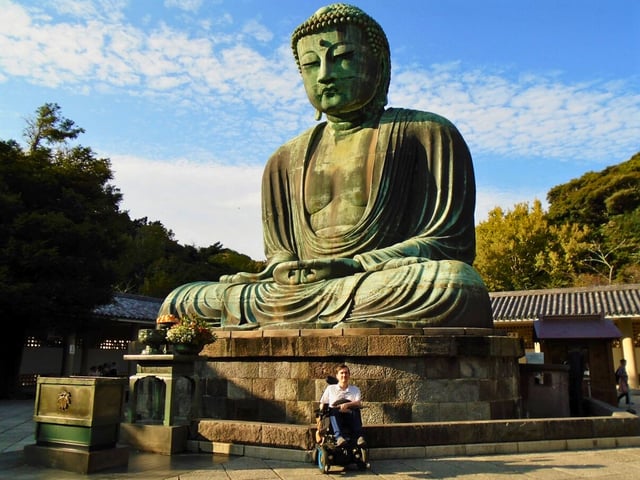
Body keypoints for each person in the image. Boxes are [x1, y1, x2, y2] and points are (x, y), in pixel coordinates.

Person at [158, 3, 493, 329]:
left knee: (454, 284)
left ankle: (308, 315)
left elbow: (449, 243)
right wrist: (283, 270)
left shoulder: (427, 133)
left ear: (379, 64)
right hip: (300, 291)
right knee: (180, 301)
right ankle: (315, 315)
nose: (325, 75)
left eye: (343, 58)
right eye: (310, 64)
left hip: (376, 281)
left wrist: (355, 264)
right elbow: (280, 254)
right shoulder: (283, 160)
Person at [319, 364, 364, 446]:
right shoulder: (331, 389)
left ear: (349, 375)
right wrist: (321, 415)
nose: (344, 375)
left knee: (356, 410)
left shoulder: (355, 389)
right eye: (342, 373)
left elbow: (358, 402)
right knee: (332, 410)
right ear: (337, 376)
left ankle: (359, 437)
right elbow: (323, 403)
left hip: (350, 415)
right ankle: (339, 437)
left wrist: (347, 405)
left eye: (346, 373)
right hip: (335, 414)